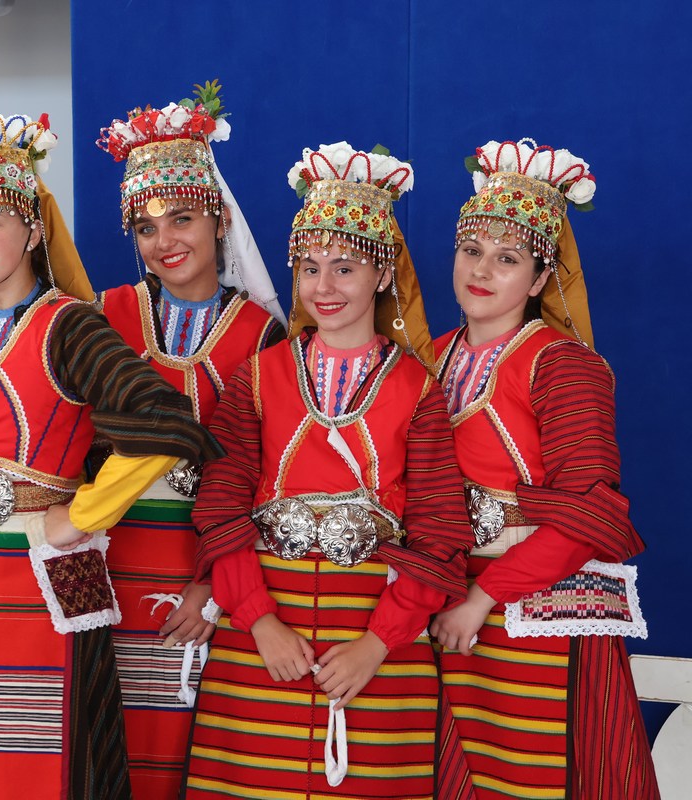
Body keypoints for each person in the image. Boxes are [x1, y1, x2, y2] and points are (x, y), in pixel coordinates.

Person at [0, 112, 220, 800]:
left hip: (48, 583)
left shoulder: (70, 323)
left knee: (55, 764)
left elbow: (166, 424)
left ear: (34, 230)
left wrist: (81, 516)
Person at [184, 143, 472, 799]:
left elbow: (438, 532)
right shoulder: (257, 378)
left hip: (375, 648)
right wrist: (259, 620)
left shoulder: (419, 390)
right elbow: (221, 508)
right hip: (262, 639)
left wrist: (378, 644)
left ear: (383, 273)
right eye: (310, 268)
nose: (324, 287)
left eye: (345, 267)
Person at [429, 138, 658, 798]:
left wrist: (482, 599)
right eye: (471, 250)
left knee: (539, 776)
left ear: (537, 280)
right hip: (450, 603)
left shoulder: (563, 365)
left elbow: (590, 514)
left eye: (507, 258)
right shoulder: (433, 356)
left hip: (536, 611)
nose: (481, 270)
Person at [92, 81, 285, 799]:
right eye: (145, 227)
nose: (165, 241)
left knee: (187, 751)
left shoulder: (263, 336)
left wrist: (211, 585)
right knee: (105, 742)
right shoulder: (104, 315)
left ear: (218, 219)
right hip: (107, 563)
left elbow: (267, 477)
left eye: (181, 218)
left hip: (208, 568)